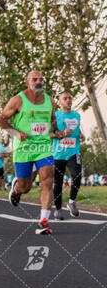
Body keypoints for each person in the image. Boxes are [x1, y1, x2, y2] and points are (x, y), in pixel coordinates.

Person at [0, 70, 65, 235]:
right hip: (24, 148)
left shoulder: (50, 100)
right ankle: (16, 189)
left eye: (41, 79)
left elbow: (52, 120)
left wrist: (57, 132)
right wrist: (16, 133)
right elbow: (1, 119)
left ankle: (43, 221)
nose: (38, 82)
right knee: (25, 186)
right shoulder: (18, 100)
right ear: (27, 82)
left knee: (47, 181)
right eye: (34, 79)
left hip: (43, 146)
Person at [51, 91, 85, 219]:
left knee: (77, 175)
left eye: (70, 98)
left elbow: (76, 129)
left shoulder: (76, 115)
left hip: (73, 152)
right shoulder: (55, 116)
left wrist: (81, 135)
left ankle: (71, 202)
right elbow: (49, 134)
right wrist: (61, 134)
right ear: (60, 102)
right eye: (65, 98)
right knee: (58, 183)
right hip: (58, 153)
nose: (68, 100)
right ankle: (58, 209)